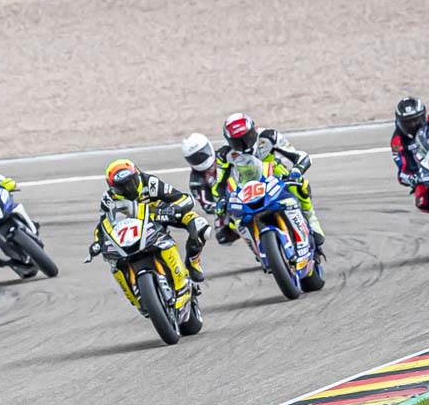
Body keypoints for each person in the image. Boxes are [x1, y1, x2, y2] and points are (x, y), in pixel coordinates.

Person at [213, 113, 325, 245]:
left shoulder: (270, 137)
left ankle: (311, 220)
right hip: (246, 187)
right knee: (228, 222)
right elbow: (219, 184)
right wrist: (221, 200)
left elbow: (298, 156)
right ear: (229, 141)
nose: (245, 144)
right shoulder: (224, 154)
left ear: (254, 130)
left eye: (247, 138)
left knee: (300, 185)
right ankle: (252, 240)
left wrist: (297, 169)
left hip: (275, 178)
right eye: (237, 142)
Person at [92, 159, 213, 281]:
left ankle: (192, 263)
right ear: (112, 188)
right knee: (117, 255)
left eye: (131, 183)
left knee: (202, 227)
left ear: (137, 176)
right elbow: (103, 224)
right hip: (138, 224)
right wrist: (97, 242)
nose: (127, 190)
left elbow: (185, 199)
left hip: (164, 213)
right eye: (120, 188)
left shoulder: (150, 183)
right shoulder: (109, 199)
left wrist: (173, 209)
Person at [180, 134, 238, 248]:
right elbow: (206, 204)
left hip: (246, 189)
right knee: (223, 237)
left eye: (203, 153)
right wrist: (220, 206)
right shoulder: (196, 181)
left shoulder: (225, 153)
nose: (201, 159)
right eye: (195, 158)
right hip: (226, 204)